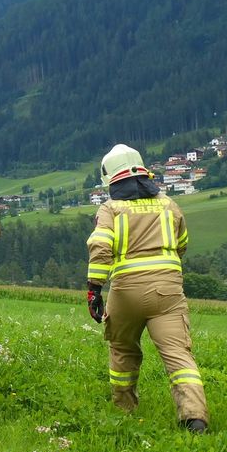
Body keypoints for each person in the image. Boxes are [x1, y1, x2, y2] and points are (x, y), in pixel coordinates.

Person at [85, 143, 209, 433]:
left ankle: (124, 409)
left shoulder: (110, 209)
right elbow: (182, 244)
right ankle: (194, 417)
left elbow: (100, 248)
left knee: (122, 349)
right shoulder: (169, 205)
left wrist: (94, 289)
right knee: (178, 354)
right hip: (168, 291)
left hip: (126, 292)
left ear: (111, 179)